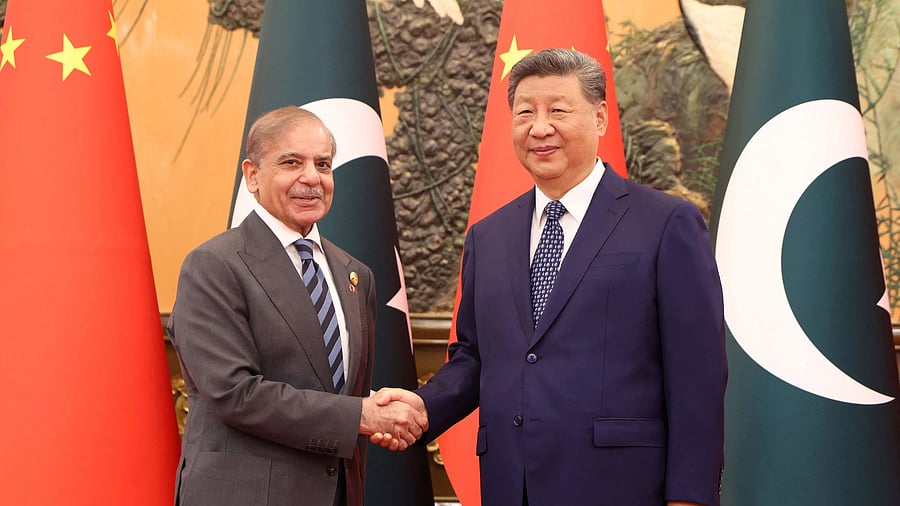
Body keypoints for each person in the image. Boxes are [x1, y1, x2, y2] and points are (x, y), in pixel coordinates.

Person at [374, 48, 727, 505]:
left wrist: (690, 497)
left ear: (600, 118)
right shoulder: (489, 235)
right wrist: (423, 407)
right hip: (511, 484)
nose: (539, 128)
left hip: (622, 487)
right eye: (525, 113)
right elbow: (475, 357)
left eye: (558, 110)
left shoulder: (666, 223)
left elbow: (697, 373)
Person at [168, 106, 427, 506]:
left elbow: (333, 389)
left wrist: (378, 408)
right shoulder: (214, 265)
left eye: (323, 164)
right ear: (252, 175)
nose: (312, 177)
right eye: (292, 162)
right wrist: (362, 414)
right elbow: (235, 394)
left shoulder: (355, 275)